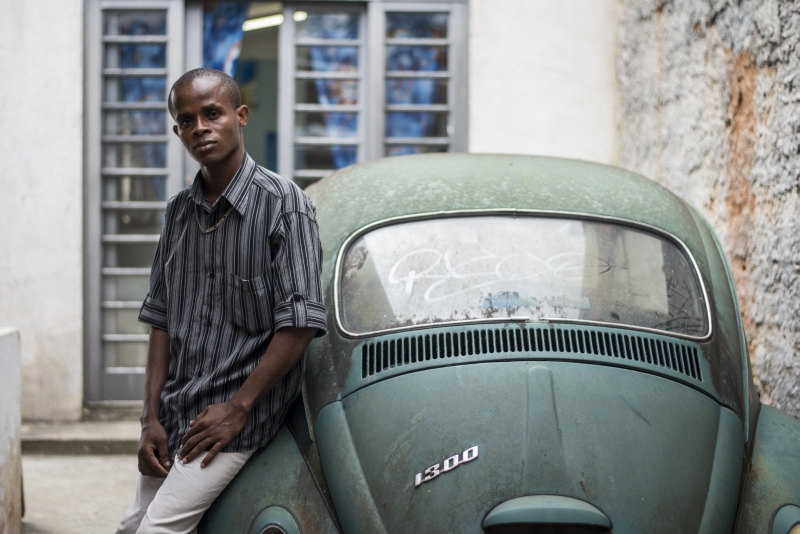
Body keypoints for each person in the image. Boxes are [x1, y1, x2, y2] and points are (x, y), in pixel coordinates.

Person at [116, 68, 326, 533]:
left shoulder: (284, 205)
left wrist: (238, 408)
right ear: (178, 132)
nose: (200, 128)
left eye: (212, 114)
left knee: (156, 530)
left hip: (237, 418)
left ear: (240, 115)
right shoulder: (178, 213)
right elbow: (161, 320)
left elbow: (301, 323)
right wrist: (149, 419)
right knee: (132, 527)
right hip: (177, 413)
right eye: (187, 120)